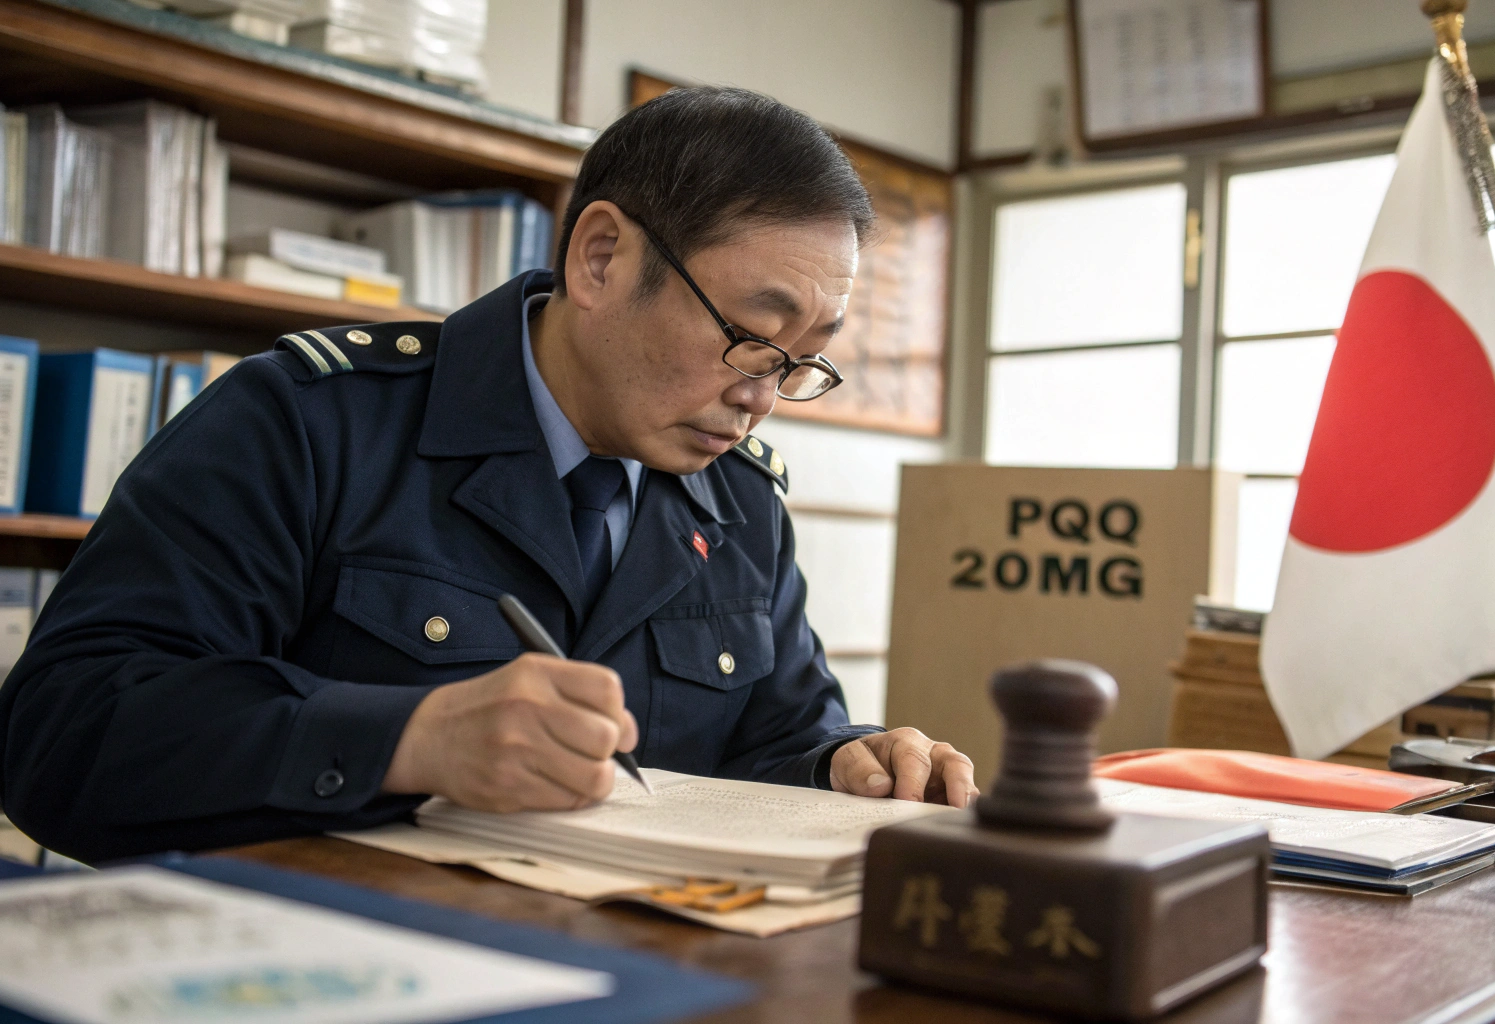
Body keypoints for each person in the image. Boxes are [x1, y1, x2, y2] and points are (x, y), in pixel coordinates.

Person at [0, 87, 977, 864]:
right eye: (753, 339)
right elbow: (61, 735)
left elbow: (777, 736)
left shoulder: (741, 501)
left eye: (805, 359)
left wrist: (846, 762)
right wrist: (405, 739)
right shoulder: (309, 419)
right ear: (600, 258)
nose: (765, 395)